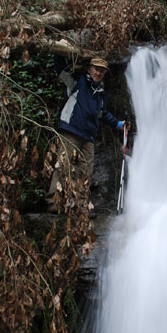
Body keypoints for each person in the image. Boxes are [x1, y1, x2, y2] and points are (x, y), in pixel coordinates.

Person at [45, 52, 126, 215]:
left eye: (102, 71)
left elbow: (102, 114)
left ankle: (80, 204)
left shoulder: (99, 94)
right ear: (89, 69)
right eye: (96, 69)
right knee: (64, 165)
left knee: (86, 170)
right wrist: (58, 51)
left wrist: (118, 124)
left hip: (88, 136)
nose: (98, 73)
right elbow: (60, 70)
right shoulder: (77, 82)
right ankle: (53, 201)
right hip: (71, 130)